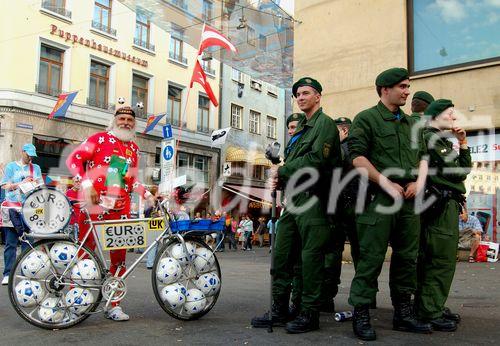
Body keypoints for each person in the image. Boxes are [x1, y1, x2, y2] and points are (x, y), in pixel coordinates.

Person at [252, 77, 341, 333]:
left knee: (310, 259)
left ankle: (309, 312)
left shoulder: (324, 125)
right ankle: (279, 309)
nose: (301, 97)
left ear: (318, 96)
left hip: (315, 199)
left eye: (306, 93)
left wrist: (283, 170)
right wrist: (281, 181)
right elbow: (292, 169)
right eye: (298, 94)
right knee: (282, 255)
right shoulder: (299, 132)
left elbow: (315, 161)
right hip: (294, 201)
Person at [347, 68, 431, 340]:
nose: (407, 91)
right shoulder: (367, 118)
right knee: (371, 258)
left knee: (407, 258)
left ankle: (403, 314)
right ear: (385, 89)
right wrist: (385, 182)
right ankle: (361, 315)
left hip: (408, 201)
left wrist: (419, 183)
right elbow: (357, 158)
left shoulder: (412, 124)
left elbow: (423, 158)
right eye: (402, 87)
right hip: (379, 200)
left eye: (408, 86)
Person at [66, 105, 153, 321]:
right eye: (121, 118)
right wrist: (86, 184)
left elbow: (131, 181)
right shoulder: (100, 139)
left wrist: (149, 194)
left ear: (134, 124)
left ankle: (114, 304)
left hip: (120, 209)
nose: (125, 122)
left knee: (120, 259)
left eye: (129, 120)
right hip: (93, 205)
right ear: (114, 120)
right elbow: (73, 160)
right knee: (84, 254)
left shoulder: (134, 148)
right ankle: (74, 301)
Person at [414, 99, 472, 332]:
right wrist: (463, 143)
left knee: (432, 258)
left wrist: (462, 143)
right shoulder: (433, 139)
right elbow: (460, 172)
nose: (454, 118)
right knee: (441, 259)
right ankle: (430, 310)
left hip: (441, 203)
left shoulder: (435, 139)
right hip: (441, 205)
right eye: (450, 113)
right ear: (437, 115)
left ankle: (429, 305)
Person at [320, 116, 361, 313]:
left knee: (335, 252)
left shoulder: (346, 150)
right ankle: (363, 299)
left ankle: (329, 297)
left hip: (345, 207)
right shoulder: (353, 150)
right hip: (349, 206)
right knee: (354, 252)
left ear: (343, 132)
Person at [1, 144, 43, 285]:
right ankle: (8, 273)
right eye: (28, 154)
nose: (30, 157)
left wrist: (35, 184)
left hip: (29, 209)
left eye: (32, 155)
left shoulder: (35, 168)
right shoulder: (11, 167)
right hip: (12, 208)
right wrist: (20, 184)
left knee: (28, 243)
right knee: (11, 243)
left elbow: (41, 186)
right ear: (22, 151)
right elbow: (4, 186)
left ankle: (27, 273)